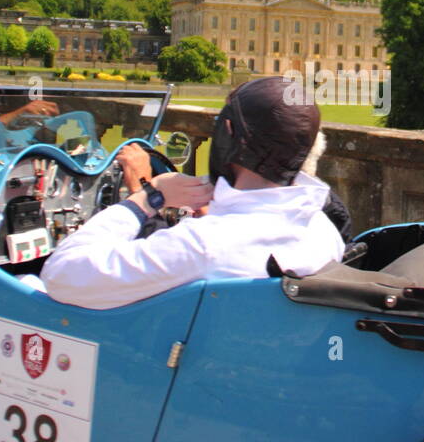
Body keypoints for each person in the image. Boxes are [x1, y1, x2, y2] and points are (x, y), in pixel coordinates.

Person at [40, 77, 345, 309]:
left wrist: (148, 196)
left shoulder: (202, 245)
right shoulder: (323, 230)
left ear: (228, 133)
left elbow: (61, 275)